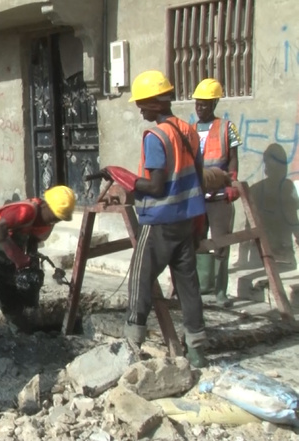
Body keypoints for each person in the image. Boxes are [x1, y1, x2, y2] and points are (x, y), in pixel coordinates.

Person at [101, 70, 208, 368]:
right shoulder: (187, 130)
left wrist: (124, 179)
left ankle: (131, 344)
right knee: (188, 285)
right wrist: (202, 219)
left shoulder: (155, 136)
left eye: (143, 103)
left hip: (160, 221)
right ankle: (197, 351)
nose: (140, 109)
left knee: (139, 278)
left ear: (157, 103)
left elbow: (156, 185)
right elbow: (198, 177)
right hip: (186, 220)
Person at [0, 186, 75, 333]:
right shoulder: (26, 211)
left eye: (59, 219)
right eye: (54, 216)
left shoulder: (47, 222)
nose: (54, 221)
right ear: (46, 205)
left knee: (11, 299)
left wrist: (31, 266)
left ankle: (21, 336)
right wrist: (19, 258)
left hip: (7, 257)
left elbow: (33, 241)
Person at [192, 78, 241, 307]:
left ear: (214, 104)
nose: (199, 108)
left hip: (220, 196)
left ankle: (221, 292)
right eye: (197, 104)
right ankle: (202, 287)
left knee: (222, 243)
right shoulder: (190, 130)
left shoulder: (226, 127)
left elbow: (232, 158)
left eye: (204, 104)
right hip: (197, 196)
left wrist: (232, 183)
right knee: (198, 241)